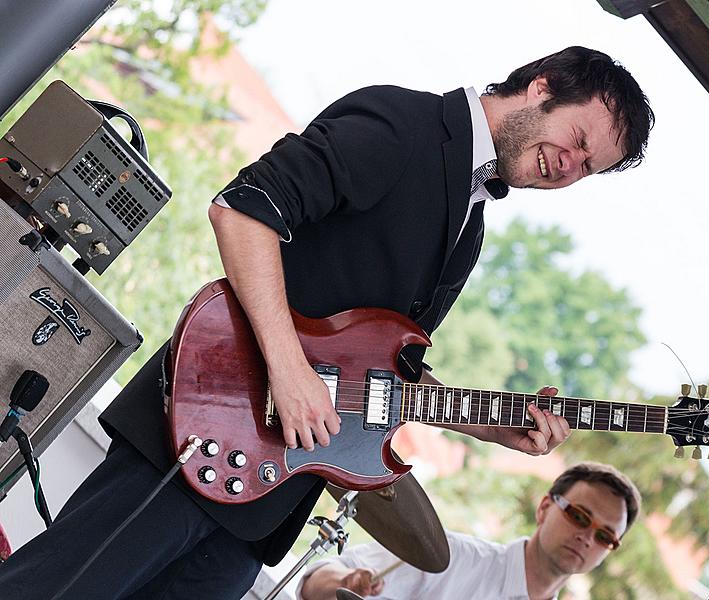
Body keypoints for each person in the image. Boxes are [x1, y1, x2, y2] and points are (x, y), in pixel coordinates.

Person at [0, 46, 653, 599]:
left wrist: (483, 423)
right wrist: (287, 370)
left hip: (269, 502)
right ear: (543, 87)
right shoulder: (406, 124)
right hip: (203, 431)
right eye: (577, 141)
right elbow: (244, 209)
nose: (570, 166)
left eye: (587, 168)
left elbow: (375, 370)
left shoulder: (470, 228)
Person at [298, 462, 641, 600]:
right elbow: (312, 582)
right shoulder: (452, 556)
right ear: (545, 507)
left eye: (605, 536)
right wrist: (345, 584)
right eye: (580, 516)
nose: (587, 537)